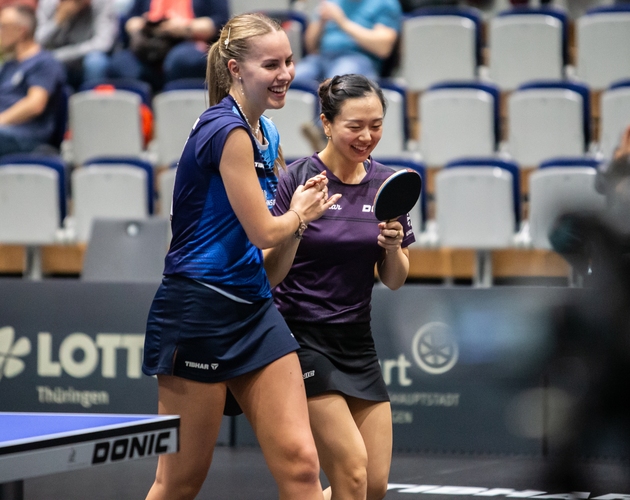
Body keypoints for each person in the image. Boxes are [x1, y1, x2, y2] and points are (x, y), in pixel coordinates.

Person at [141, 13, 342, 500]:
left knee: (300, 464)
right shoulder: (224, 131)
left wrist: (298, 223)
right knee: (180, 482)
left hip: (254, 309)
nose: (286, 73)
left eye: (290, 61)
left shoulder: (268, 134)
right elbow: (262, 228)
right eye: (271, 64)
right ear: (235, 69)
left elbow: (270, 260)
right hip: (199, 310)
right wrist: (298, 216)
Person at [270, 74, 415, 500]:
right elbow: (270, 274)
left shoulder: (389, 184)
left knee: (372, 487)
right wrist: (299, 222)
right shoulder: (296, 181)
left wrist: (391, 248)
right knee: (351, 474)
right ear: (328, 124)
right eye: (355, 125)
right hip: (300, 339)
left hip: (357, 341)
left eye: (376, 124)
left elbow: (395, 279)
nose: (367, 136)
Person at [108, 0, 228, 90]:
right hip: (150, 43)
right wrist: (144, 25)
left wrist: (186, 27)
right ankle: (142, 117)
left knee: (183, 60)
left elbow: (220, 23)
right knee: (121, 64)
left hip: (189, 40)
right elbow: (130, 20)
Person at [0, 4, 67, 156]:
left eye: (2, 26)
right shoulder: (8, 65)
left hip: (26, 133)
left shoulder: (44, 62)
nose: (0, 32)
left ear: (20, 30)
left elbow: (35, 104)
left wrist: (1, 119)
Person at [292, 0, 401, 85]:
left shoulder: (385, 3)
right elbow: (310, 47)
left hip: (358, 59)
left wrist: (343, 23)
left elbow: (383, 48)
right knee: (291, 79)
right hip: (321, 58)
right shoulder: (331, 1)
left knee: (337, 85)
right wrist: (320, 22)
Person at [35, 0, 118, 89]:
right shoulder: (48, 3)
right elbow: (37, 40)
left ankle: (93, 100)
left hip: (84, 56)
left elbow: (103, 43)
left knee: (96, 62)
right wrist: (57, 21)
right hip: (57, 58)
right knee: (44, 62)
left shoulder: (102, 3)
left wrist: (61, 54)